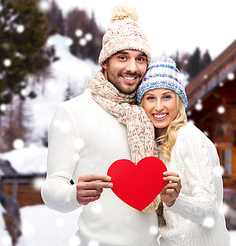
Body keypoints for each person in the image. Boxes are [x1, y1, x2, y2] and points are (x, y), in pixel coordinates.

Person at [41, 3, 179, 246]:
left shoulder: (148, 113)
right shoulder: (72, 112)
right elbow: (52, 187)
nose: (132, 68)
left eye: (140, 59)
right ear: (105, 62)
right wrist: (73, 194)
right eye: (122, 57)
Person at [96, 56, 231, 245]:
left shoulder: (188, 136)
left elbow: (208, 210)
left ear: (179, 100)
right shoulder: (156, 144)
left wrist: (174, 200)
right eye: (150, 98)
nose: (159, 106)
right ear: (142, 104)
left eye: (167, 97)